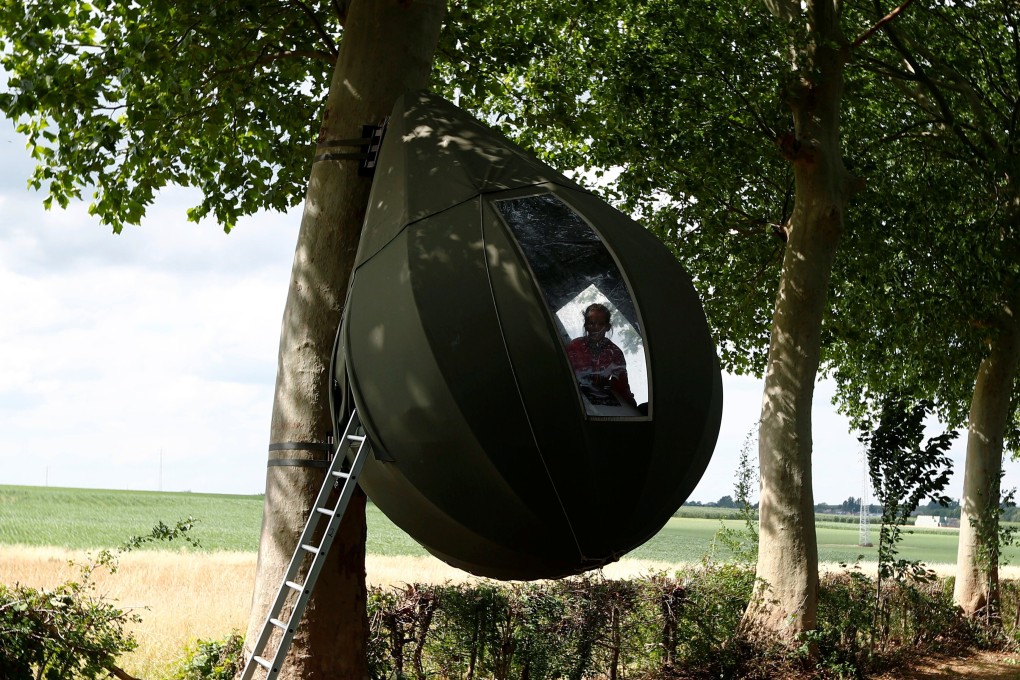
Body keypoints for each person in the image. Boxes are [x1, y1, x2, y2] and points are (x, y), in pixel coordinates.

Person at [566, 303, 638, 408]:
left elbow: (622, 386)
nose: (596, 327)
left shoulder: (615, 353)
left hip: (601, 404)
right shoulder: (575, 346)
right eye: (591, 323)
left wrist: (632, 407)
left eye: (601, 324)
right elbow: (565, 374)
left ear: (608, 327)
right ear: (586, 326)